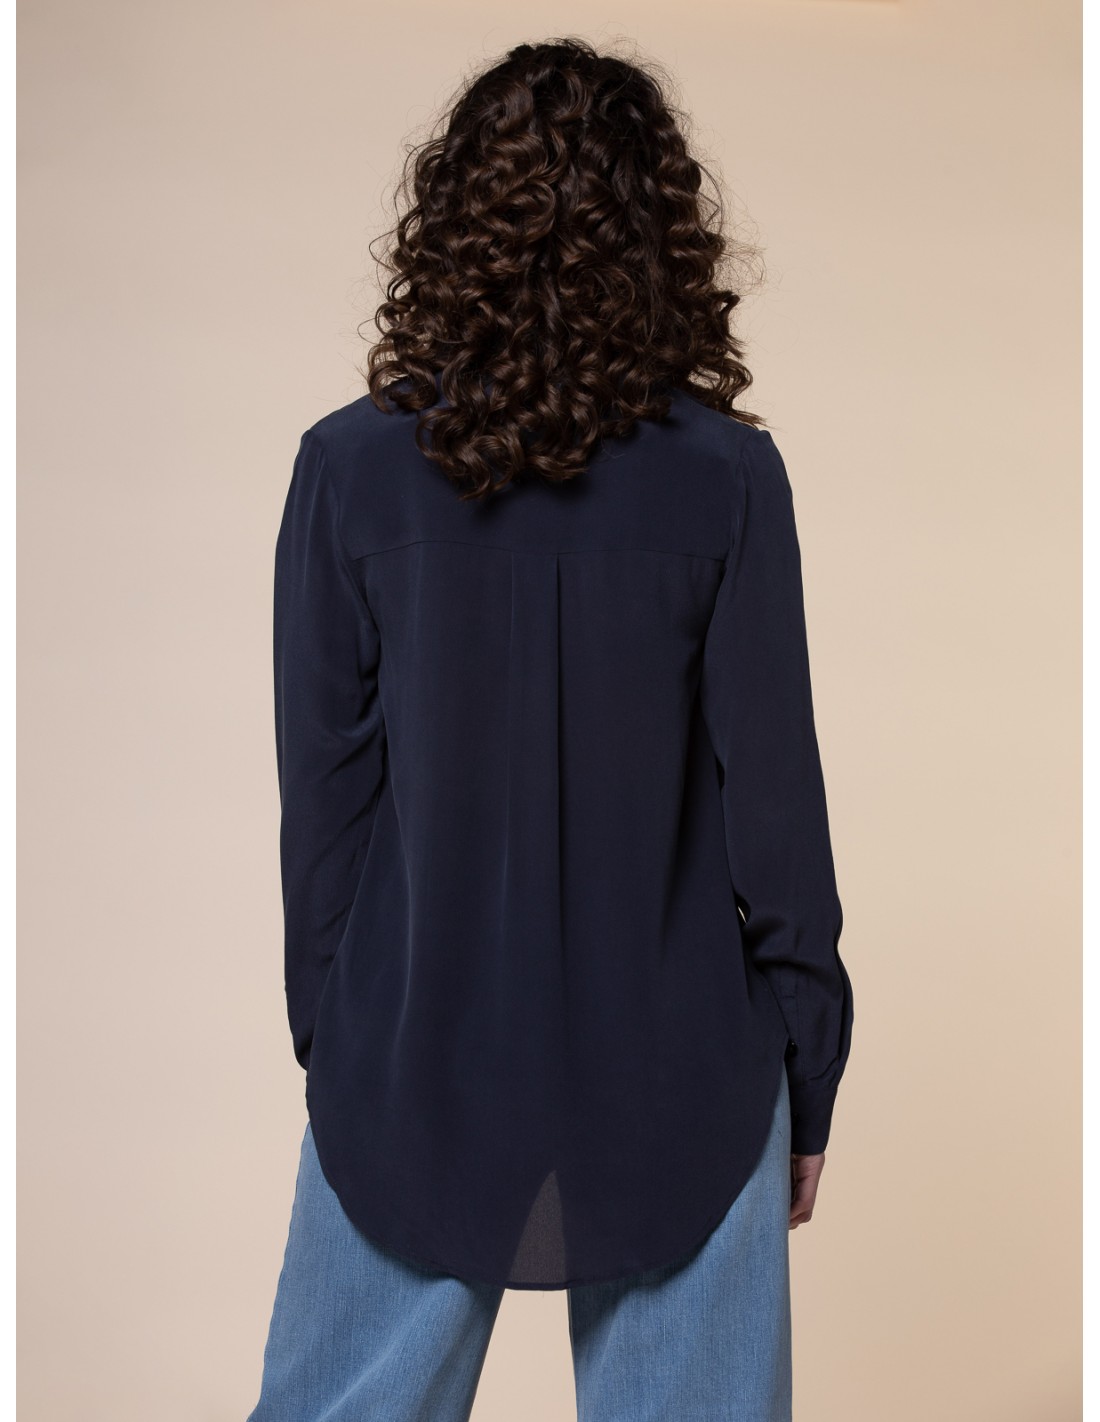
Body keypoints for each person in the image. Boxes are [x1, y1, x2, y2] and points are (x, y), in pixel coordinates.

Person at [245, 35, 854, 1422]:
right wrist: (808, 1070)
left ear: (454, 217)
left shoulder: (347, 470)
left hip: (412, 1050)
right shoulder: (730, 480)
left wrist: (336, 1044)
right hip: (687, 1064)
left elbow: (324, 808)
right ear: (660, 235)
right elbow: (776, 814)